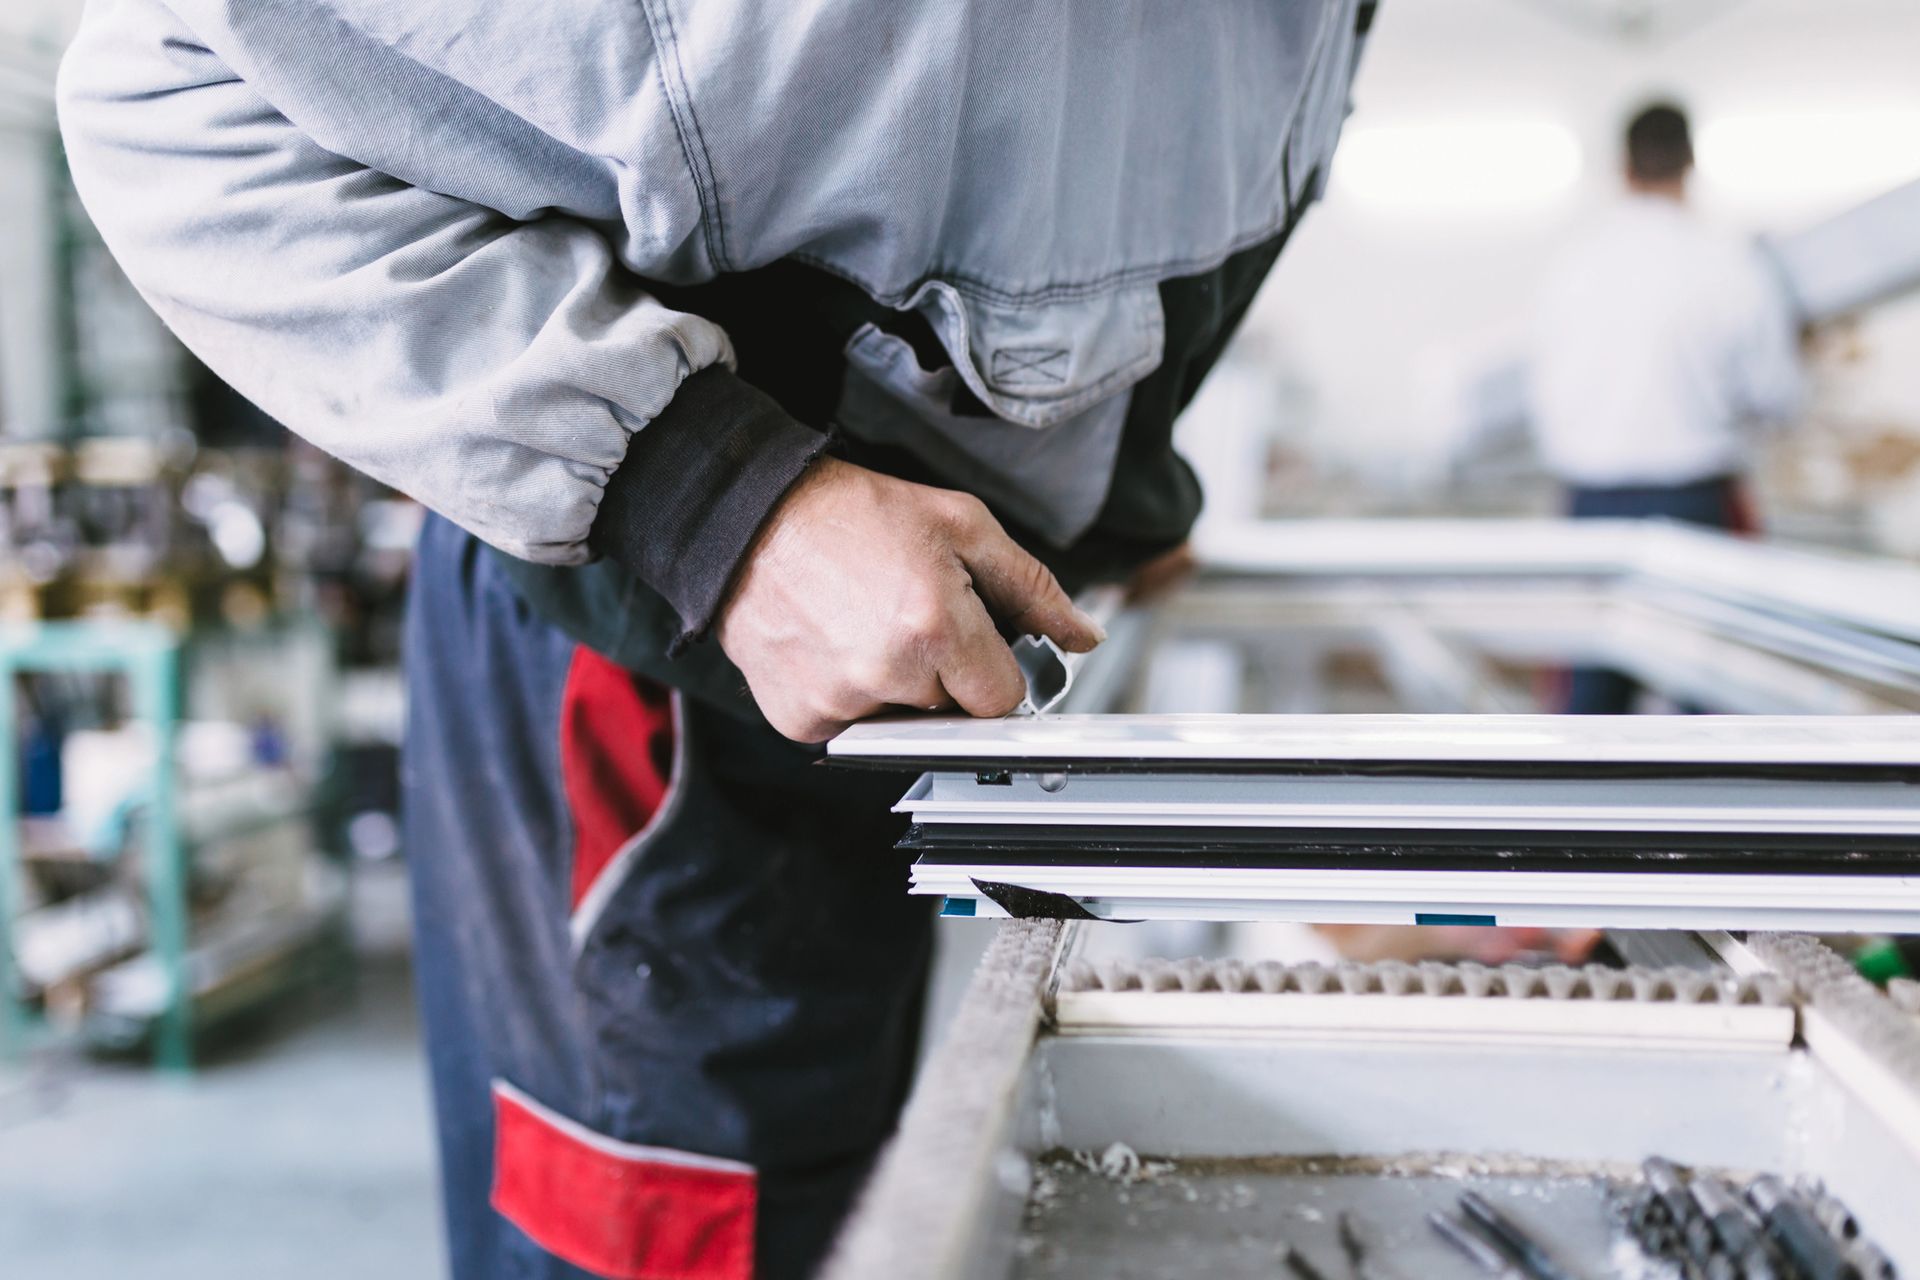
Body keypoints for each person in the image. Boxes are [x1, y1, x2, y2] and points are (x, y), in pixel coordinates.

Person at [57, 3, 1377, 1276]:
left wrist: (1115, 495)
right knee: (695, 1229)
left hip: (883, 638)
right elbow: (169, 81)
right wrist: (711, 501)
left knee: (839, 1203)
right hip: (662, 635)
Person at [1530, 101, 1804, 715]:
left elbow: (1545, 391)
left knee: (1592, 707)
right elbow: (1776, 395)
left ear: (1620, 166)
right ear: (1690, 164)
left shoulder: (1572, 266)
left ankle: (1586, 812)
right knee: (1706, 700)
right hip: (1690, 502)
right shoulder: (1727, 263)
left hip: (1590, 503)